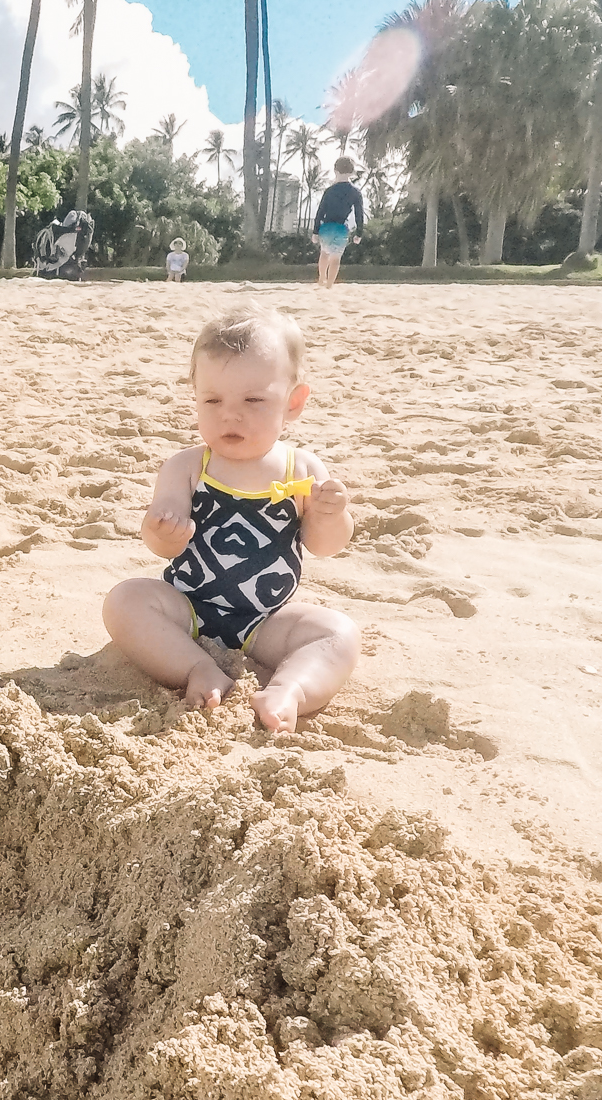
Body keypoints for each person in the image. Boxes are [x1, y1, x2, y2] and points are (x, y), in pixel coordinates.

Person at [101, 302, 358, 733]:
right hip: (188, 609)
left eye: (253, 400)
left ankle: (289, 689)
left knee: (338, 633)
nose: (229, 414)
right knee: (125, 600)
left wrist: (332, 515)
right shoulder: (187, 467)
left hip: (267, 620)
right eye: (213, 399)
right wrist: (161, 530)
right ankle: (195, 668)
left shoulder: (303, 470)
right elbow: (163, 544)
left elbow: (323, 545)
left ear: (293, 403)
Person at [311, 158, 366, 289]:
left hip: (327, 227)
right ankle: (329, 285)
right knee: (336, 259)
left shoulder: (329, 190)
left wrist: (315, 231)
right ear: (352, 172)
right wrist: (359, 233)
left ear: (335, 171)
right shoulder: (355, 192)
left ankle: (321, 278)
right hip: (342, 228)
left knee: (324, 253)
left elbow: (320, 212)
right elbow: (359, 214)